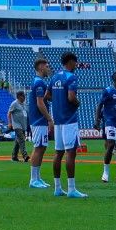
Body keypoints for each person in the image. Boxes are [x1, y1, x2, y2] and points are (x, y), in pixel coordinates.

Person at [48, 51, 84, 197]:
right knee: (70, 153)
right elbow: (71, 97)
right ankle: (71, 189)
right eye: (75, 62)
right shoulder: (71, 77)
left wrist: (58, 102)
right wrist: (77, 103)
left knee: (58, 153)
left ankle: (57, 188)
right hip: (69, 119)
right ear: (70, 62)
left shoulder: (54, 76)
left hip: (58, 120)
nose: (76, 65)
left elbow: (47, 95)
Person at [25, 59, 54, 189]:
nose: (49, 69)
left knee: (42, 147)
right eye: (47, 66)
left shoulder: (39, 82)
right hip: (38, 120)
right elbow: (40, 103)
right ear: (41, 67)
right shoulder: (39, 83)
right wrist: (49, 119)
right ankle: (33, 179)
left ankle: (37, 177)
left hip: (38, 120)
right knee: (38, 147)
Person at [6, 85, 29, 163]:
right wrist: (9, 123)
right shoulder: (14, 103)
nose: (24, 97)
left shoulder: (23, 104)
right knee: (22, 139)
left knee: (18, 141)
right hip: (17, 125)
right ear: (19, 96)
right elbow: (9, 113)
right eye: (23, 96)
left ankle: (14, 156)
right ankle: (25, 155)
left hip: (23, 125)